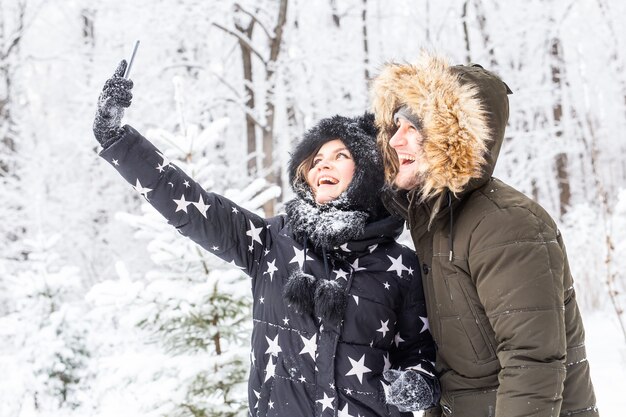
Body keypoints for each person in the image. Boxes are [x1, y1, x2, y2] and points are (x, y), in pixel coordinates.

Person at [92, 60, 441, 416]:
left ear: (366, 170)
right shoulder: (271, 242)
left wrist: (419, 383)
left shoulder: (400, 266)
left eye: (340, 156)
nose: (323, 164)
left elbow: (420, 355)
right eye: (316, 158)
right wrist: (116, 139)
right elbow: (194, 208)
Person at [369, 51, 599, 417]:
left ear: (451, 138)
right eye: (395, 127)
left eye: (413, 128)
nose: (396, 141)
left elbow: (532, 363)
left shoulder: (506, 224)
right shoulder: (436, 219)